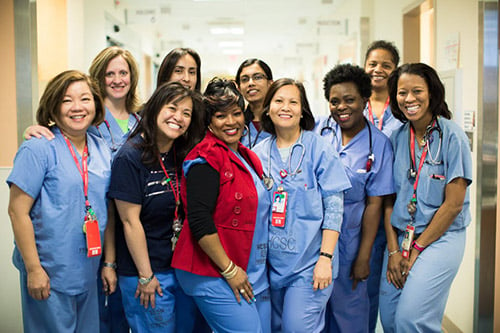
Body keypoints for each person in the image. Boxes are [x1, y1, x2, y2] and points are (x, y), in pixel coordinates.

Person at [7, 70, 111, 332]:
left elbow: (107, 207)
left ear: (96, 104)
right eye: (67, 100)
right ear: (53, 106)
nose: (77, 107)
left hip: (89, 268)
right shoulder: (38, 148)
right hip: (49, 270)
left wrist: (109, 263)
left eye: (85, 99)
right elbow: (17, 212)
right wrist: (34, 269)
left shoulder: (100, 148)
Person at [172, 78, 272, 332]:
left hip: (245, 267)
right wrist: (229, 270)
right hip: (212, 269)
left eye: (236, 113)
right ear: (208, 121)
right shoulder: (205, 159)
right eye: (220, 116)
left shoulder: (247, 156)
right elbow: (199, 221)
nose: (231, 122)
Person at [379, 63, 472, 332]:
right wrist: (395, 250)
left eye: (417, 91)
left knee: (412, 319)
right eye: (402, 93)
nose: (409, 99)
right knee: (391, 319)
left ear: (431, 93)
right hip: (401, 236)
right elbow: (388, 200)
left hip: (441, 238)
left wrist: (417, 249)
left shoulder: (451, 136)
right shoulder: (396, 138)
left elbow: (453, 205)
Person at [252, 78, 351, 332]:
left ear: (302, 109)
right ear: (268, 108)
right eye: (278, 101)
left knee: (297, 328)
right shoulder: (258, 154)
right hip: (270, 265)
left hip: (309, 265)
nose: (286, 107)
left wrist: (325, 259)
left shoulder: (318, 148)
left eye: (293, 102)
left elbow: (334, 208)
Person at [108, 81, 207, 332]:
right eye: (172, 108)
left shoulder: (181, 153)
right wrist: (146, 275)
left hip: (177, 268)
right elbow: (130, 223)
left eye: (186, 113)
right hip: (146, 273)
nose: (179, 118)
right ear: (154, 109)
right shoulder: (130, 157)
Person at [317, 64, 394, 332]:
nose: (341, 107)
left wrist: (363, 256)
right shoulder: (319, 132)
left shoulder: (380, 144)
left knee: (350, 312)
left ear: (364, 99)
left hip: (352, 241)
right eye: (334, 101)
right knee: (315, 311)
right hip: (315, 238)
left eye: (349, 100)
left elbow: (375, 204)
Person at [363, 40, 402, 332]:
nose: (378, 70)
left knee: (386, 291)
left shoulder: (403, 110)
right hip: (360, 212)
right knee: (358, 289)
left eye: (386, 65)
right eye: (373, 63)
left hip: (393, 212)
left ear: (395, 70)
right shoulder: (352, 106)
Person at [235, 58, 273, 148]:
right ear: (239, 89)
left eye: (258, 77)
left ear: (270, 84)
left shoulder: (281, 121)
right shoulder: (236, 123)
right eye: (244, 79)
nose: (251, 83)